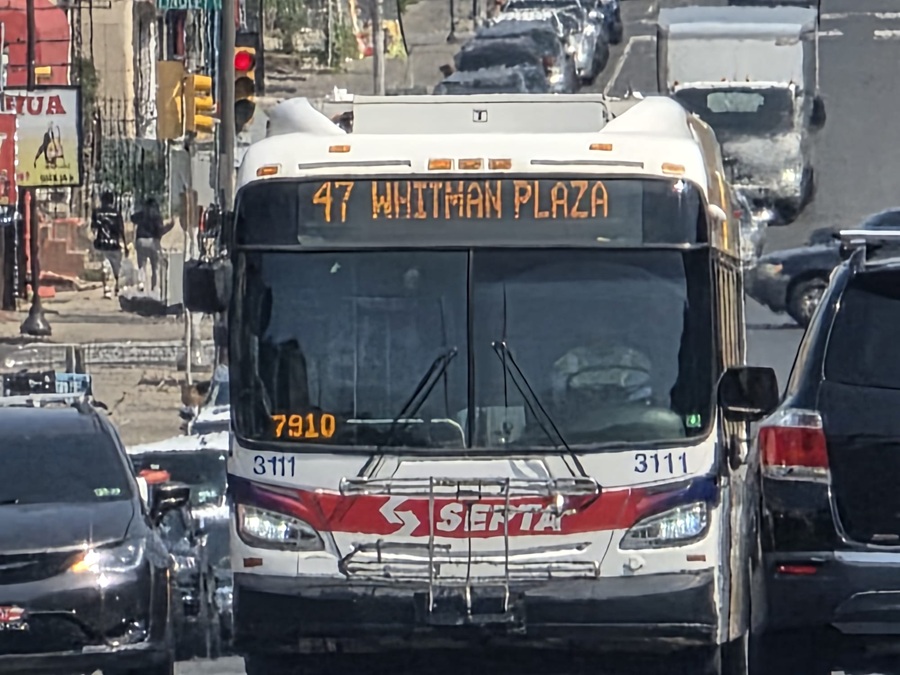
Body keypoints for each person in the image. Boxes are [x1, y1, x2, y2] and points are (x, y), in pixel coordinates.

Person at [130, 196, 173, 293]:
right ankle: (154, 287)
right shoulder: (157, 217)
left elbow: (132, 218)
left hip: (141, 241)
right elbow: (160, 231)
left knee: (142, 264)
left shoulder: (142, 214)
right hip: (153, 242)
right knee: (155, 267)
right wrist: (169, 227)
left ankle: (141, 283)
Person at [90, 191, 128, 299]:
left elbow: (93, 229)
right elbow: (121, 230)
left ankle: (107, 289)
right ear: (112, 201)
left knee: (105, 266)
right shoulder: (117, 213)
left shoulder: (97, 213)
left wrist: (92, 243)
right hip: (115, 244)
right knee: (116, 267)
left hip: (102, 243)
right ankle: (117, 288)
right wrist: (125, 245)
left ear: (102, 200)